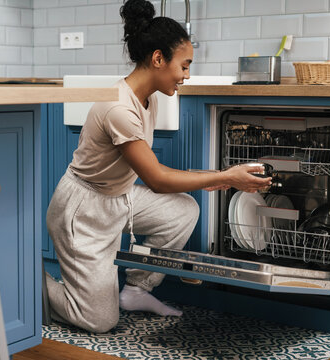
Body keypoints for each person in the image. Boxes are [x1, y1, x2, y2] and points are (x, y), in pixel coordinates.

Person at [45, 0, 271, 333]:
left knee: (183, 210)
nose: (186, 75)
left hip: (118, 199)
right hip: (83, 213)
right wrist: (225, 176)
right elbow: (156, 179)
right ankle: (24, 273)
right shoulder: (118, 107)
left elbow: (150, 169)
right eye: (184, 65)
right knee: (98, 321)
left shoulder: (146, 98)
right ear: (158, 59)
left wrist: (210, 179)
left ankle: (137, 290)